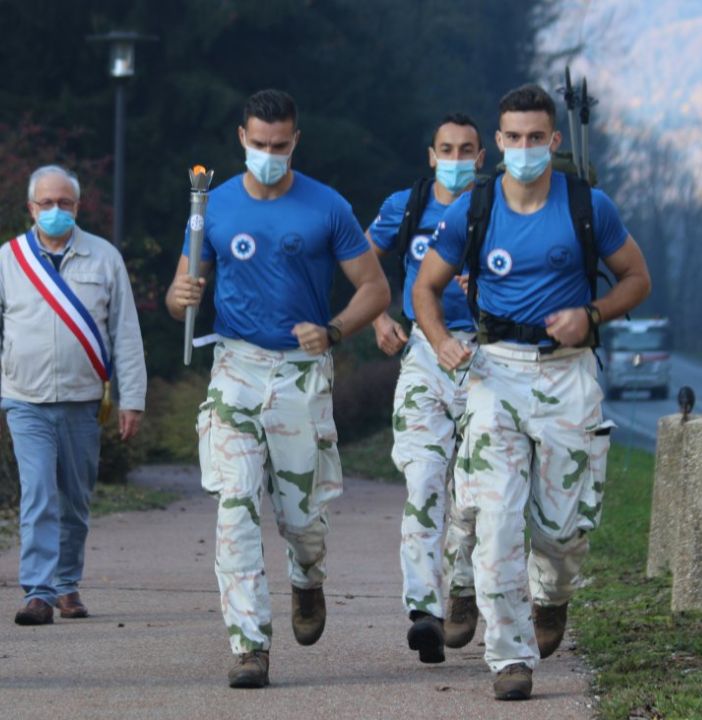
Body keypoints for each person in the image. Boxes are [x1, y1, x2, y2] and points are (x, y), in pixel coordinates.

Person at [416, 83, 650, 701]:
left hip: (569, 373)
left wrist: (592, 314)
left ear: (553, 140)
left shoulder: (587, 205)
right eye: (512, 138)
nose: (524, 149)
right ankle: (509, 657)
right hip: (496, 372)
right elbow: (424, 288)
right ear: (498, 143)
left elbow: (637, 278)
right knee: (497, 517)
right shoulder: (473, 208)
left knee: (564, 531)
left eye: (535, 138)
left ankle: (553, 596)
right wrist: (440, 339)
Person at [166, 89, 389, 689]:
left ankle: (308, 576)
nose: (269, 154)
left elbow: (374, 287)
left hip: (299, 372)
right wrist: (180, 296)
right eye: (259, 144)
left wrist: (335, 328)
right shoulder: (211, 207)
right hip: (234, 368)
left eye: (280, 145)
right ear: (242, 138)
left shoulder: (327, 207)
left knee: (301, 518)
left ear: (296, 140)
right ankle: (249, 645)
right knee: (234, 505)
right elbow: (181, 289)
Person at [0, 165, 146, 626]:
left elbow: (126, 334)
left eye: (63, 203)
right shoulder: (8, 260)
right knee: (39, 494)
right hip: (24, 400)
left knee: (74, 498)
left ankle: (68, 582)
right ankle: (39, 591)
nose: (54, 211)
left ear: (77, 207)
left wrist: (133, 400)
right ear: (31, 208)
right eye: (45, 203)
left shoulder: (104, 257)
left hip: (83, 400)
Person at [363, 114, 484, 664]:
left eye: (467, 150)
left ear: (482, 157)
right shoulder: (404, 207)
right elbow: (361, 261)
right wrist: (377, 316)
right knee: (425, 481)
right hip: (423, 359)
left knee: (475, 495)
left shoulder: (497, 208)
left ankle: (462, 590)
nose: (456, 158)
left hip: (487, 358)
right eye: (446, 149)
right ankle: (424, 611)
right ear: (431, 155)